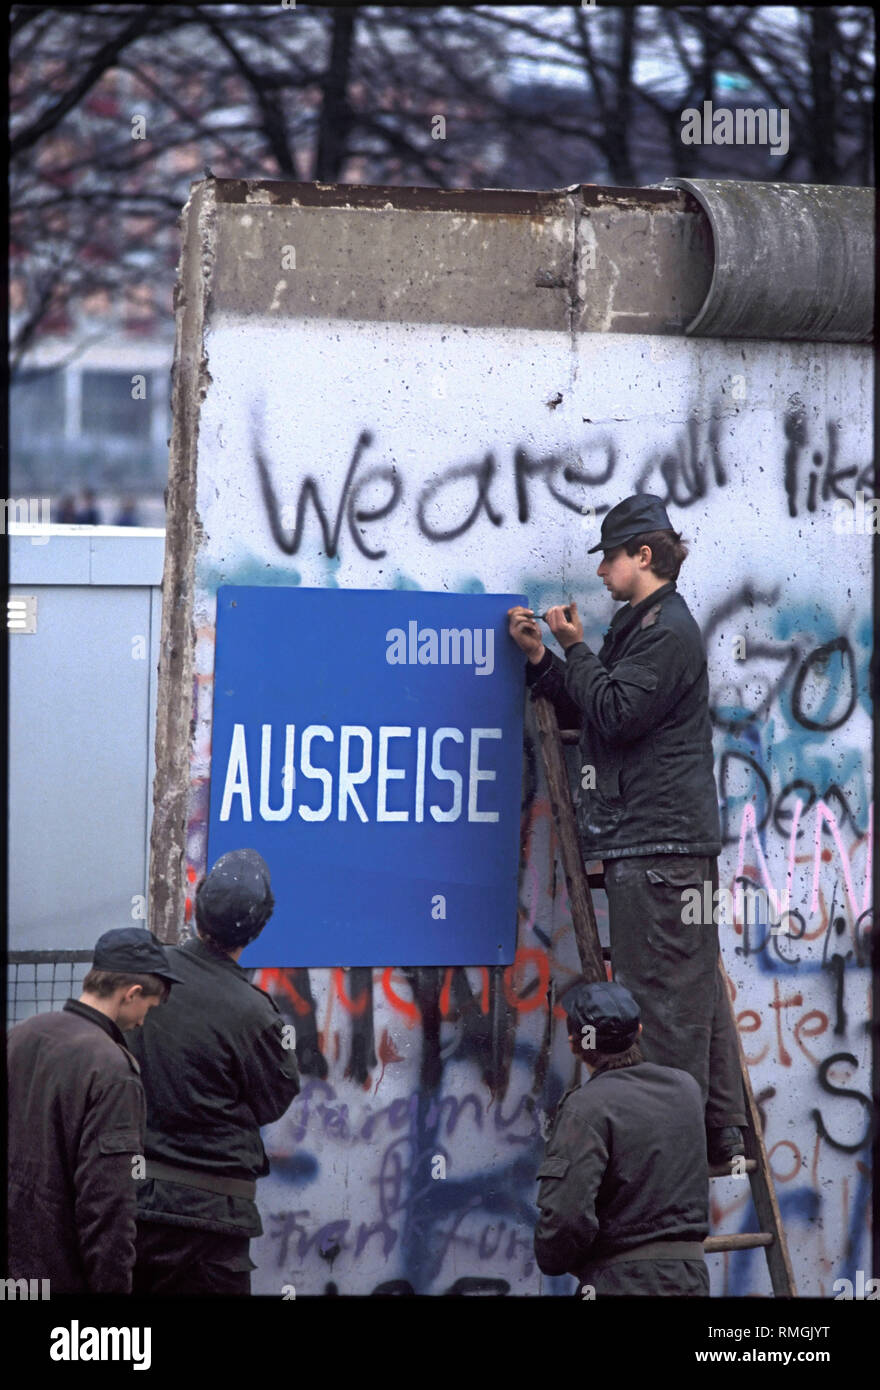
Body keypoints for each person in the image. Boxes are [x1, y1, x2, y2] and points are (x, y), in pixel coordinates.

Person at [508, 493, 746, 1164]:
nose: (604, 570)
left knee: (662, 1007)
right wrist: (543, 662)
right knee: (691, 990)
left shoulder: (667, 630)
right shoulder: (642, 627)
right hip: (662, 844)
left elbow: (613, 713)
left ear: (644, 556)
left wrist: (574, 645)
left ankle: (670, 1156)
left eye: (611, 557)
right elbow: (598, 698)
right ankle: (721, 1132)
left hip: (659, 845)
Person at [130, 848, 301, 1295]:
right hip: (213, 1221)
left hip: (131, 1206)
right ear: (259, 926)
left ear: (197, 904)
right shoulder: (256, 1014)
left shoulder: (142, 979)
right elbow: (273, 1100)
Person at [6, 928, 182, 1293]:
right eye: (147, 1007)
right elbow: (107, 1205)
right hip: (61, 1277)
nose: (143, 1022)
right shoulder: (113, 1071)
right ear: (131, 993)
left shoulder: (24, 1034)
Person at [534, 980, 710, 1297]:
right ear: (639, 1030)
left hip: (624, 1282)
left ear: (574, 1042)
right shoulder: (686, 1088)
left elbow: (566, 1216)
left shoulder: (586, 1106)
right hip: (690, 1279)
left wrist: (553, 1259)